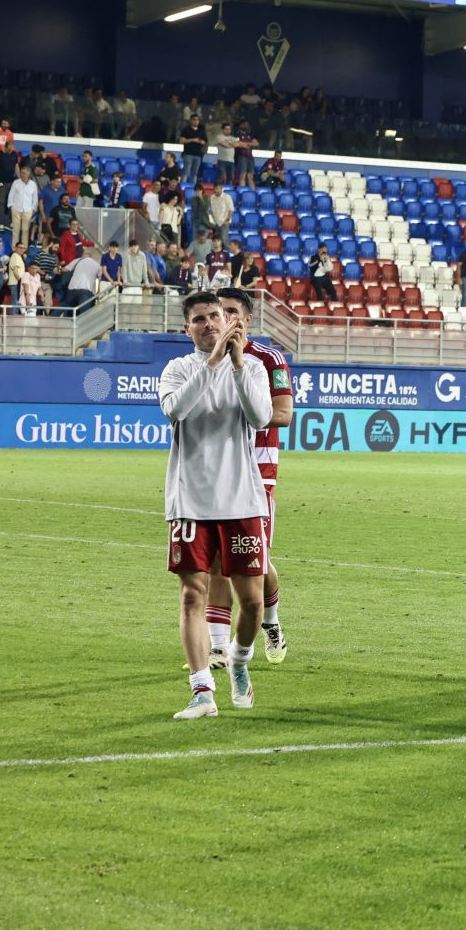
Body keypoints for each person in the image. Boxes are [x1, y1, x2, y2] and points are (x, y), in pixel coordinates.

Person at [157, 290, 272, 720]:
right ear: (187, 328)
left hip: (241, 500)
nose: (210, 323)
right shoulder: (177, 370)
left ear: (229, 322)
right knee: (192, 596)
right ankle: (202, 690)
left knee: (253, 603)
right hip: (189, 502)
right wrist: (213, 363)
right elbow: (177, 410)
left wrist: (236, 363)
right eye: (200, 318)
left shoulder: (254, 367)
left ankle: (239, 660)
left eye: (216, 316)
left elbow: (261, 418)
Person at [212, 288, 295, 664]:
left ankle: (271, 622)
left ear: (247, 319)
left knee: (254, 562)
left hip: (258, 474)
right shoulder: (204, 358)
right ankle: (215, 646)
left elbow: (283, 414)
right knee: (215, 560)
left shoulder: (269, 358)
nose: (223, 318)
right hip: (214, 471)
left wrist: (247, 407)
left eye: (230, 311)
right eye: (218, 312)